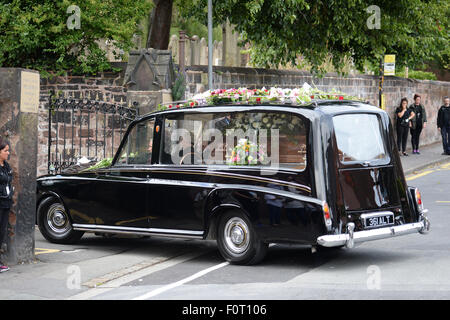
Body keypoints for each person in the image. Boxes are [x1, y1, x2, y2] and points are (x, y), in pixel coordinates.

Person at [0, 138, 13, 273]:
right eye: (5, 150)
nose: (8, 153)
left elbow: (9, 180)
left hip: (6, 203)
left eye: (8, 150)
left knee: (2, 232)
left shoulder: (7, 166)